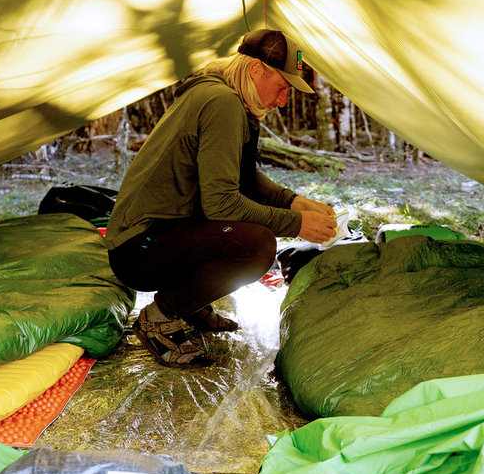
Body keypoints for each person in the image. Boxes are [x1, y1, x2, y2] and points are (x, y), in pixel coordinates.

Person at [105, 28, 338, 367]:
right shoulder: (222, 103)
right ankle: (158, 318)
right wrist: (295, 224)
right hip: (138, 248)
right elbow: (222, 202)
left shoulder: (222, 95)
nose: (283, 100)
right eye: (284, 86)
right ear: (257, 70)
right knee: (256, 245)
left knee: (240, 231)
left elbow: (239, 177)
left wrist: (292, 201)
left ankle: (189, 304)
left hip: (151, 235)